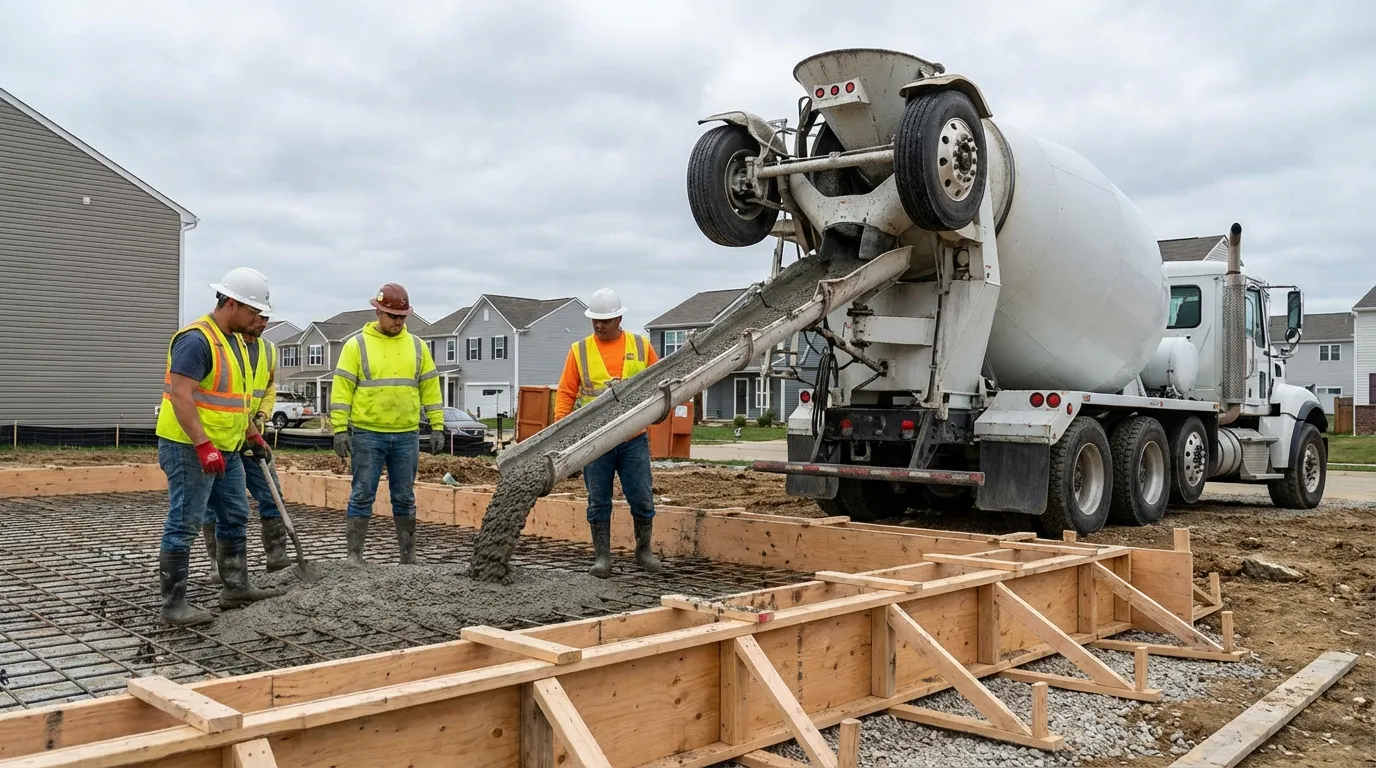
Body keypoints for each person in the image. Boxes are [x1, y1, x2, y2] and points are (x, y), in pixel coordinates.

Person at [155, 267, 284, 626]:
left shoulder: (236, 342)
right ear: (231, 304)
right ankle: (173, 606)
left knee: (235, 514)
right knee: (185, 521)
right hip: (188, 446)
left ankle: (235, 587)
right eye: (253, 311)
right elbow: (181, 395)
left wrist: (252, 434)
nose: (258, 319)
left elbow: (236, 401)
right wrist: (202, 444)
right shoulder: (197, 340)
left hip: (226, 446)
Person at [331, 283, 444, 565]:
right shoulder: (356, 346)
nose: (398, 322)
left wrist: (438, 426)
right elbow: (342, 390)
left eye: (403, 317)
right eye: (393, 316)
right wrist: (339, 429)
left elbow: (430, 388)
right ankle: (354, 557)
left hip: (406, 435)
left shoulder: (417, 347)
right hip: (368, 434)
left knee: (404, 497)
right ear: (378, 312)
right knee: (362, 495)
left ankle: (408, 558)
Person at [553, 287, 661, 578]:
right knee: (598, 499)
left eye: (605, 321)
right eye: (595, 321)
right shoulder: (580, 351)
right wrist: (562, 429)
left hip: (632, 438)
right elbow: (566, 392)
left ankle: (644, 550)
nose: (599, 326)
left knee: (641, 496)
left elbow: (660, 381)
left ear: (619, 319)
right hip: (597, 440)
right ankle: (602, 557)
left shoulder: (640, 346)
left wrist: (661, 410)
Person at [201, 311, 292, 583]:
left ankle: (277, 557)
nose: (262, 323)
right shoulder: (224, 345)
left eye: (266, 318)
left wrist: (263, 414)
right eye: (257, 317)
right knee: (215, 504)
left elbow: (269, 388)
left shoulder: (269, 350)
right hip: (222, 434)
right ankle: (219, 566)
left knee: (271, 494)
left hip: (253, 435)